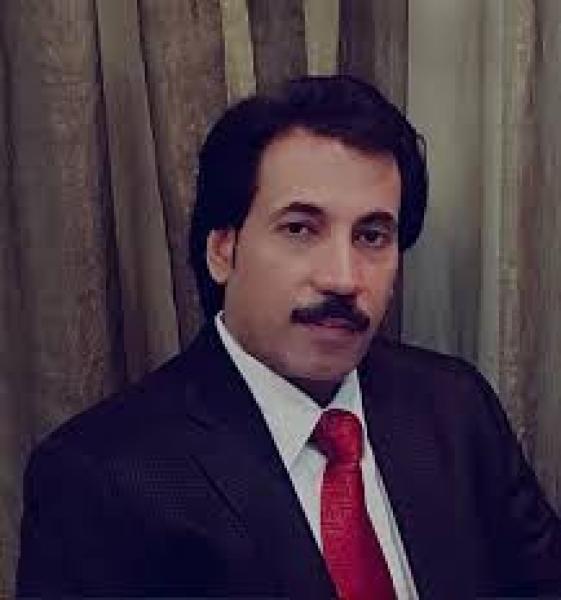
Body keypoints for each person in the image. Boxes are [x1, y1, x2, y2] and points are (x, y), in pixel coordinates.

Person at [16, 75, 561, 599]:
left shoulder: (456, 407)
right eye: (300, 229)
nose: (342, 278)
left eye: (372, 236)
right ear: (222, 250)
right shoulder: (100, 476)